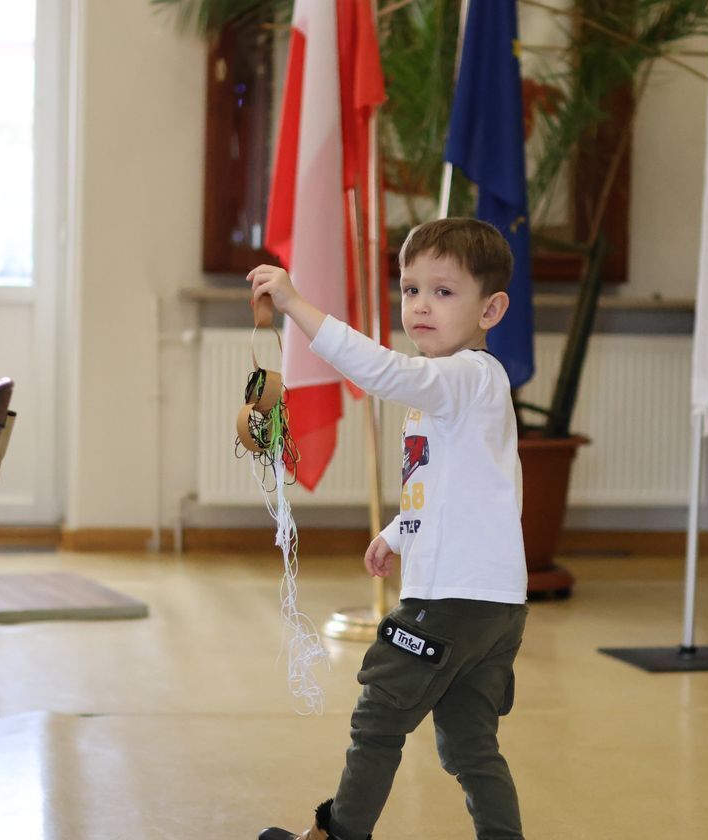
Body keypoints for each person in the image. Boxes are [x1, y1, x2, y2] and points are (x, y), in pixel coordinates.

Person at [253, 218, 530, 840]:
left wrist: (295, 305)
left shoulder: (466, 376)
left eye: (444, 292)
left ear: (491, 309)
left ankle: (339, 834)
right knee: (471, 747)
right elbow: (467, 488)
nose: (421, 305)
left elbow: (384, 372)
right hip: (494, 608)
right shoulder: (457, 392)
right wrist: (400, 533)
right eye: (410, 289)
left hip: (448, 603)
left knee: (378, 721)